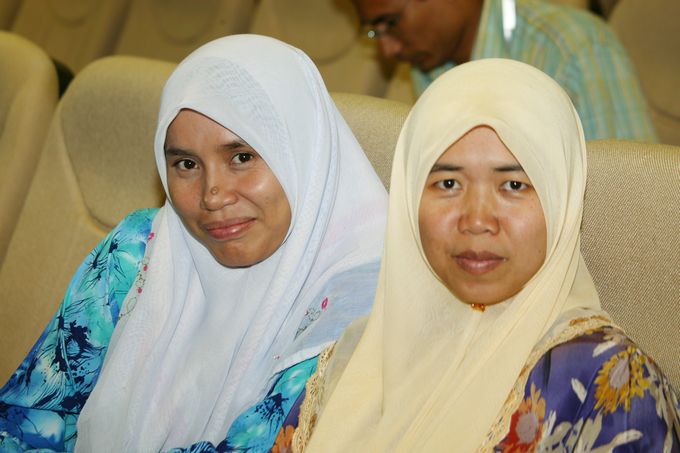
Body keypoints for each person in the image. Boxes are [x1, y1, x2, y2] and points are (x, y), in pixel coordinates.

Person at [0, 34, 388, 452]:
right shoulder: (138, 248)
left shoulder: (359, 308)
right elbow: (32, 411)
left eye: (242, 157)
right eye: (186, 164)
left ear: (303, 155)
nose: (212, 195)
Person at [295, 59, 680, 451]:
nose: (477, 220)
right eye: (448, 183)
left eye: (513, 185)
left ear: (560, 201)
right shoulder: (355, 361)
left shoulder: (612, 386)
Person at [354, 0, 657, 142]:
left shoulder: (574, 50)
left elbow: (630, 198)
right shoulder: (430, 63)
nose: (388, 50)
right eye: (375, 32)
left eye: (390, 22)